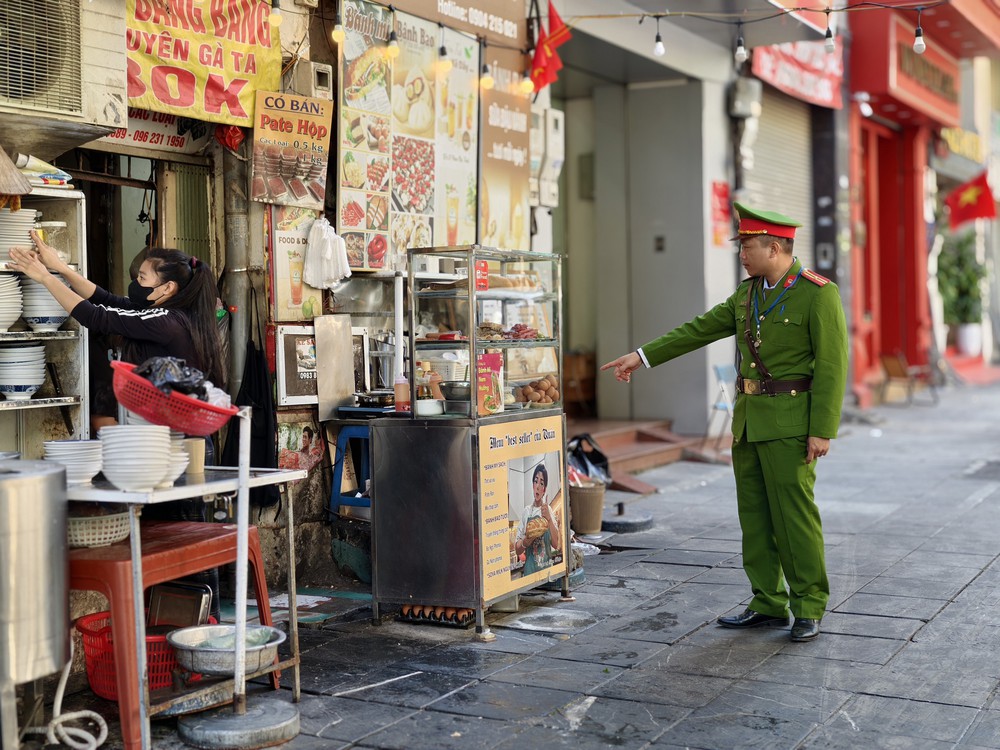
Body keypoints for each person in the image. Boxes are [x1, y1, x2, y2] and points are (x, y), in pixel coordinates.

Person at [600, 203, 848, 642]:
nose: (741, 254)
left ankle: (808, 605)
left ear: (775, 247)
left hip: (791, 424)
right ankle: (769, 602)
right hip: (749, 422)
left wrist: (822, 429)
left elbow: (832, 366)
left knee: (794, 517)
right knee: (754, 516)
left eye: (747, 246)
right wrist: (640, 357)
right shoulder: (747, 294)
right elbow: (697, 329)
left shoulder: (818, 293)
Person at [9, 230, 226, 617]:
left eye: (142, 278)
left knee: (185, 543)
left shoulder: (167, 322)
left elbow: (97, 315)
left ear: (167, 288)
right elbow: (110, 301)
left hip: (181, 447)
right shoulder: (168, 314)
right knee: (175, 540)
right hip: (174, 443)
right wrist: (59, 268)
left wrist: (43, 277)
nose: (135, 283)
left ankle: (201, 624)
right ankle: (176, 627)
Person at [514, 462, 562, 575]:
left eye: (542, 483)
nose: (538, 486)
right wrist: (526, 541)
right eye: (536, 481)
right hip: (530, 571)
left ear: (544, 489)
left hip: (546, 571)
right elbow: (517, 550)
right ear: (533, 485)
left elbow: (556, 545)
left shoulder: (548, 510)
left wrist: (549, 519)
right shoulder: (527, 512)